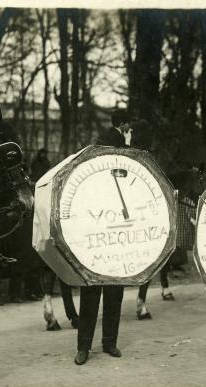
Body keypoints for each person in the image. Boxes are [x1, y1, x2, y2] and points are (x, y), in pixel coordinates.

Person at [74, 109, 132, 365]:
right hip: (109, 236)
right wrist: (128, 146)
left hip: (100, 237)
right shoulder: (117, 145)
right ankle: (106, 343)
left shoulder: (95, 152)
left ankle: (86, 347)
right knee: (110, 294)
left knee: (95, 293)